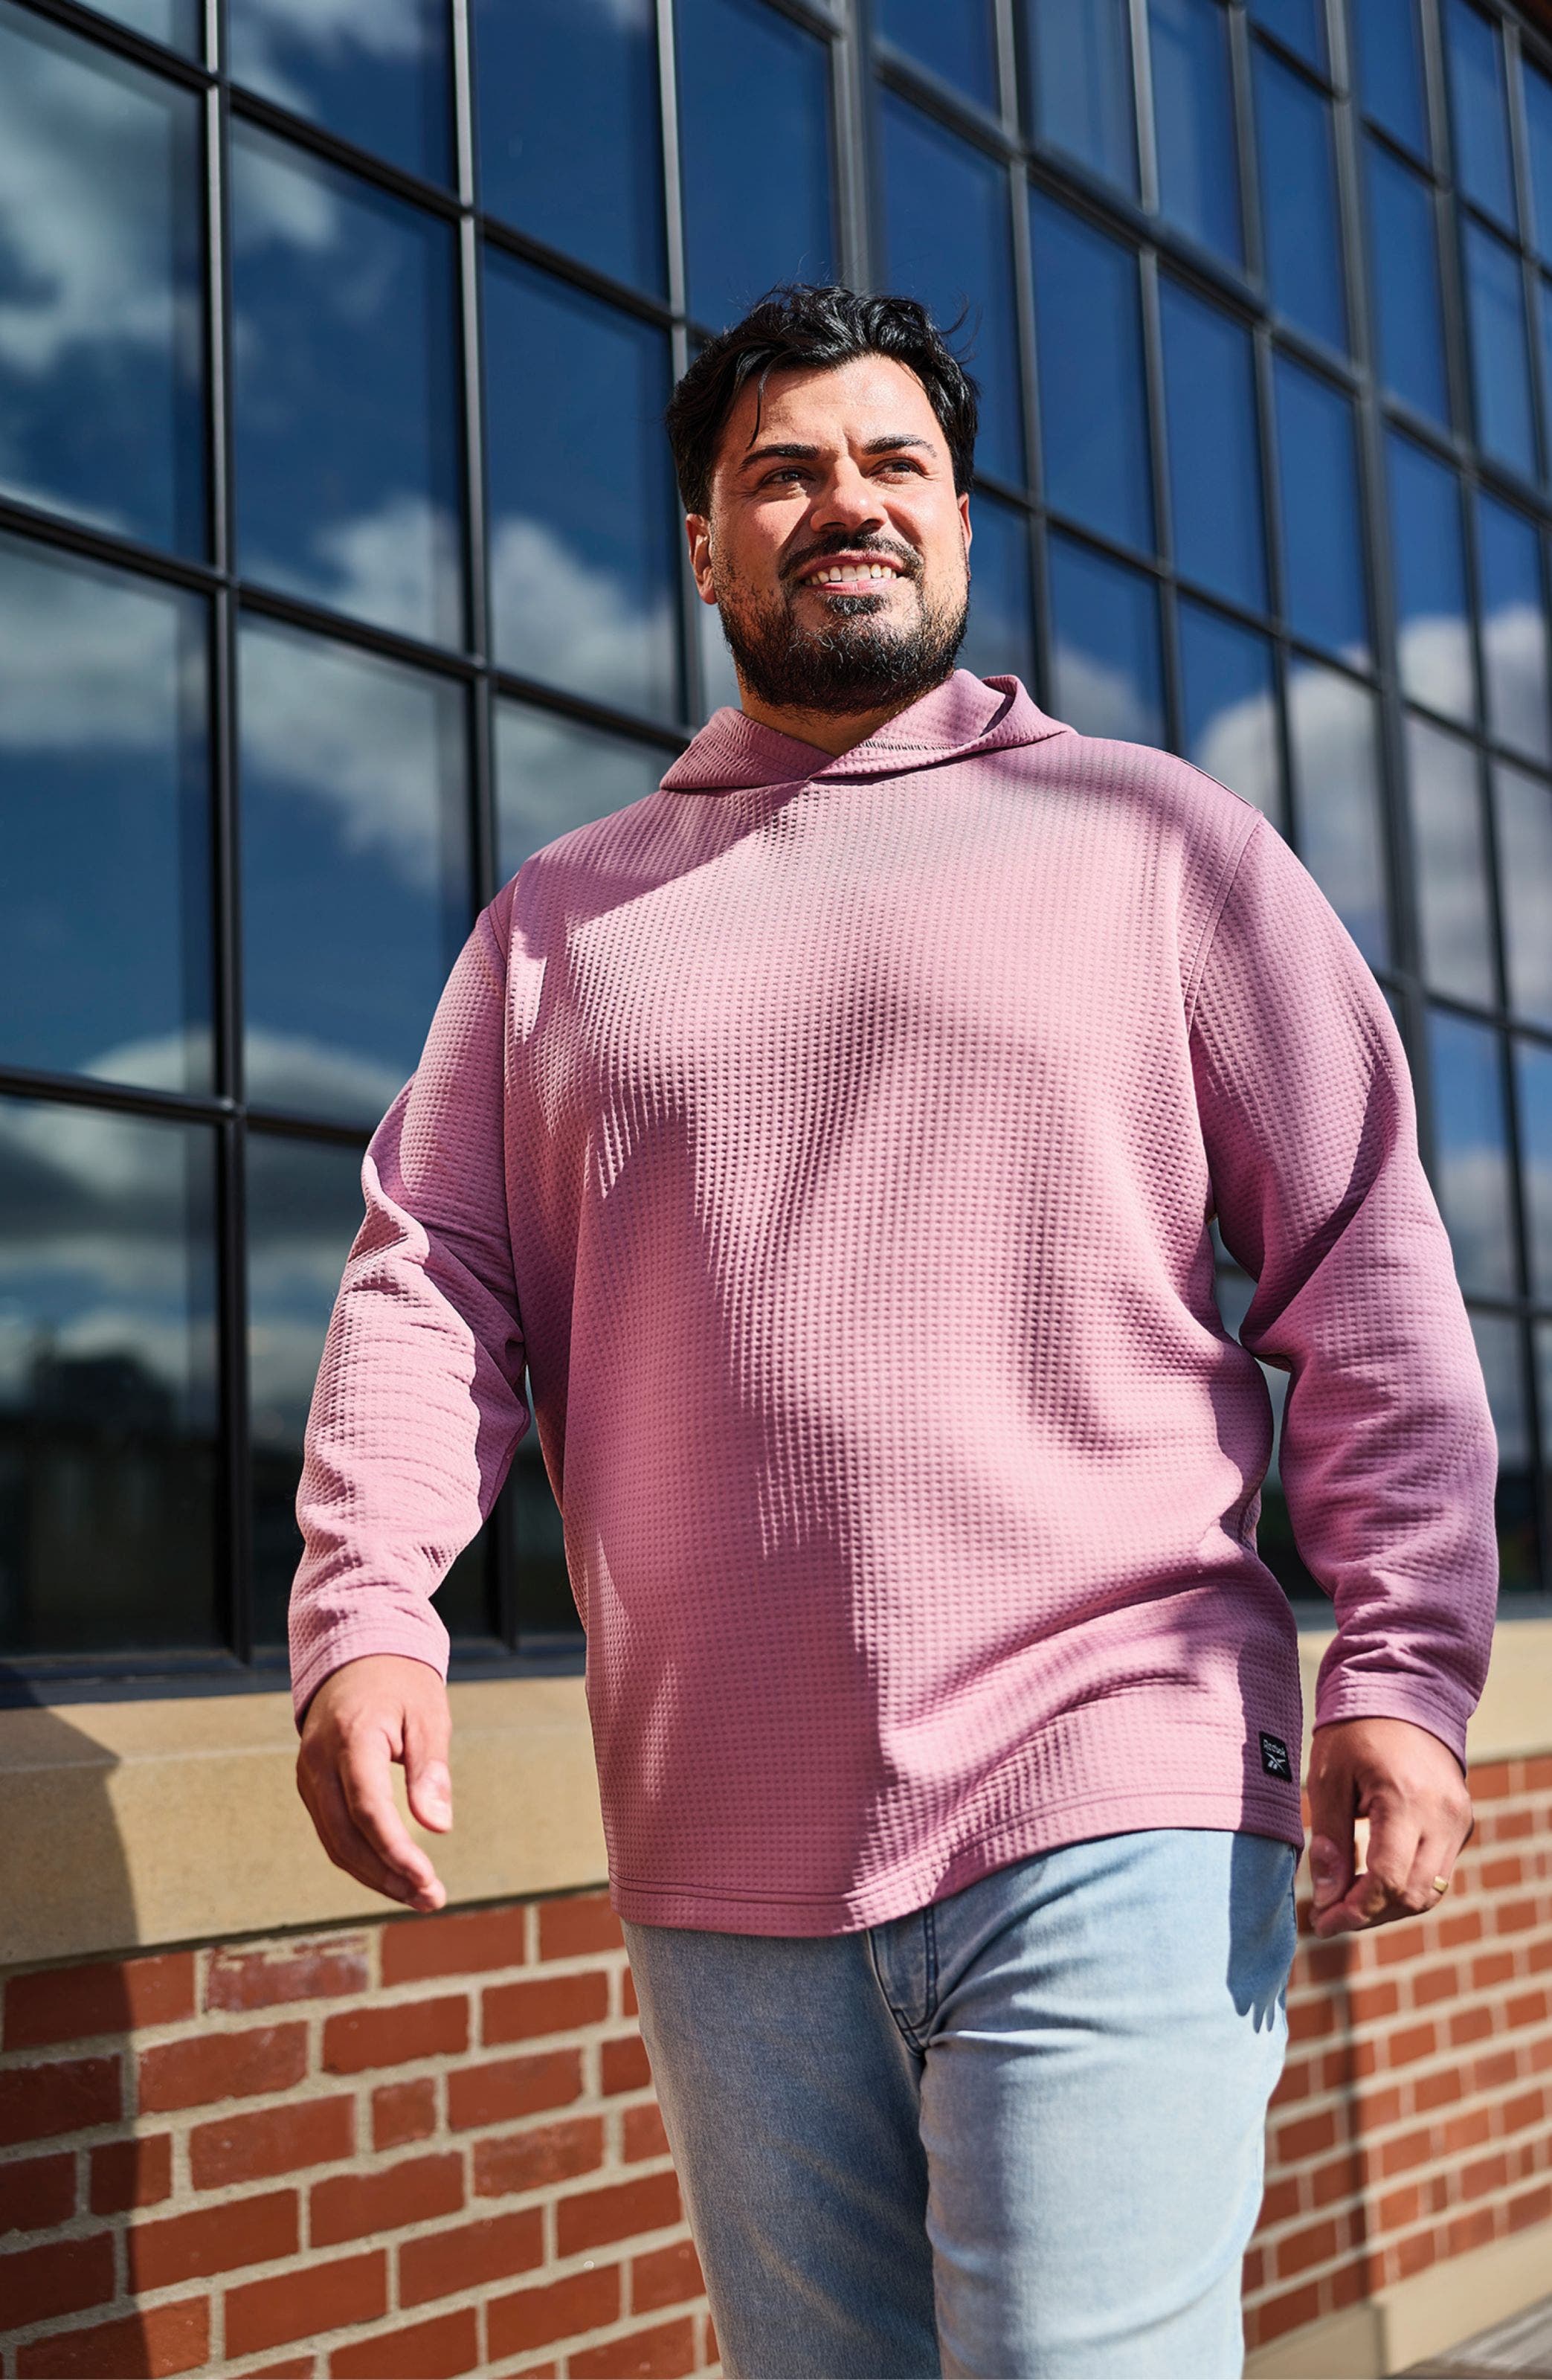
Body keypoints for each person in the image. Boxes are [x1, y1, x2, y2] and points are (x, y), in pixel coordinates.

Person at [290, 286, 1496, 2379]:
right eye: (783, 471)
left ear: (957, 515)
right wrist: (368, 1610)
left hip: (1115, 1770)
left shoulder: (1157, 845)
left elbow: (1366, 1267)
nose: (844, 502)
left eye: (890, 464)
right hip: (721, 1838)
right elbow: (430, 1276)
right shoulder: (566, 924)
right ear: (704, 543)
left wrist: (1404, 1657)